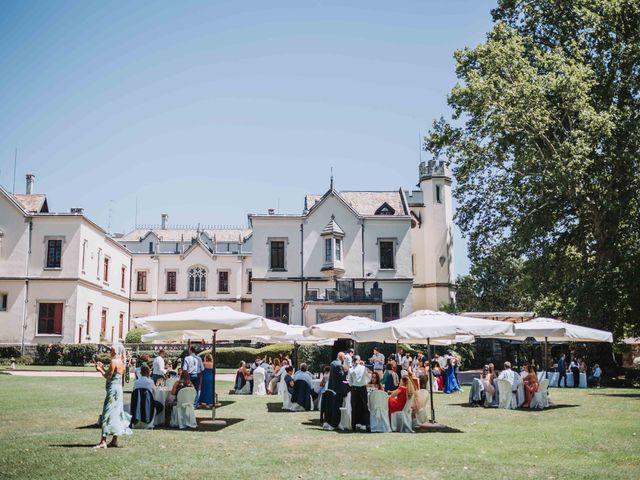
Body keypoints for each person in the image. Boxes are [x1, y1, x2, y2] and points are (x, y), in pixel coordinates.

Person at [94, 344, 132, 448]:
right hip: (118, 389)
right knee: (117, 412)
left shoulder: (114, 361)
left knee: (107, 412)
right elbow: (116, 375)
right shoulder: (121, 362)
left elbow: (108, 376)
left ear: (115, 351)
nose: (110, 351)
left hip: (113, 390)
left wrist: (100, 369)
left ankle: (103, 441)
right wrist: (103, 367)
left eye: (112, 350)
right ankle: (115, 440)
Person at [348, 359, 372, 431]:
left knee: (354, 407)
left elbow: (349, 381)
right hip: (362, 388)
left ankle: (353, 425)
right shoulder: (364, 368)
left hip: (354, 388)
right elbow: (369, 377)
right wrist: (365, 381)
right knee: (365, 406)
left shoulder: (351, 369)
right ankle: (367, 424)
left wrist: (352, 385)